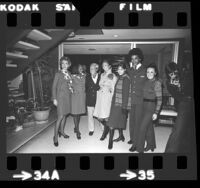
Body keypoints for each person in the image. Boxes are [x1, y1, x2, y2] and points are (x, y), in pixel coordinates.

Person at [164, 59, 195, 153]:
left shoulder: (186, 76)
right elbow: (178, 97)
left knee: (189, 131)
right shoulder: (168, 83)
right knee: (179, 129)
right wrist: (177, 87)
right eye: (171, 74)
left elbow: (190, 90)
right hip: (183, 104)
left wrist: (181, 84)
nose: (173, 75)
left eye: (175, 72)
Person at [126, 48, 150, 152]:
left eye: (136, 58)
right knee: (131, 121)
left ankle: (136, 143)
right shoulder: (130, 70)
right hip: (131, 100)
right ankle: (133, 138)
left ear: (140, 58)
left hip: (140, 101)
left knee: (137, 122)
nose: (134, 60)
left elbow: (151, 84)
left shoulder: (145, 70)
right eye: (132, 59)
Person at [135, 63, 162, 153]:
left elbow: (159, 99)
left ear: (155, 73)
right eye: (148, 72)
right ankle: (151, 145)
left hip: (151, 107)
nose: (149, 73)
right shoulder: (145, 82)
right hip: (143, 105)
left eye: (151, 72)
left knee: (142, 128)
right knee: (149, 127)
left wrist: (156, 112)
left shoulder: (157, 83)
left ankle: (140, 150)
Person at [107, 63, 131, 149]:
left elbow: (126, 95)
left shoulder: (126, 79)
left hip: (121, 105)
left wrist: (124, 108)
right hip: (115, 103)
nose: (119, 71)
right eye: (118, 69)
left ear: (125, 69)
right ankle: (121, 136)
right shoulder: (120, 77)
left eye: (121, 69)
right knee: (119, 121)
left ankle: (110, 142)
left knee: (111, 123)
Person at [93, 59, 117, 140]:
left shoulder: (112, 75)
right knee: (99, 117)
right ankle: (107, 129)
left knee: (106, 117)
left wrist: (112, 99)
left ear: (109, 66)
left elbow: (113, 88)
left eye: (105, 65)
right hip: (100, 97)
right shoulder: (102, 74)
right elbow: (100, 84)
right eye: (103, 66)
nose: (104, 67)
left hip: (107, 97)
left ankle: (104, 133)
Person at [52, 56, 73, 146]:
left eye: (66, 63)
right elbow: (53, 87)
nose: (64, 65)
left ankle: (62, 132)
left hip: (67, 97)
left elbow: (70, 85)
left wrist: (72, 89)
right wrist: (54, 98)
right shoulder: (58, 74)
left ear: (68, 65)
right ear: (61, 64)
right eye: (62, 63)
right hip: (60, 98)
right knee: (60, 117)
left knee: (65, 116)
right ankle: (55, 137)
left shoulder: (69, 73)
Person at [71, 64, 86, 140]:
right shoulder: (72, 76)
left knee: (79, 113)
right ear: (76, 69)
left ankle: (76, 127)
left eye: (81, 68)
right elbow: (69, 85)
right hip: (75, 97)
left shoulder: (84, 76)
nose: (81, 69)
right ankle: (77, 131)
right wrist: (72, 91)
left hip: (82, 97)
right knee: (75, 113)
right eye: (79, 68)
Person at [85, 63, 101, 136]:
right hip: (90, 99)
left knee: (100, 115)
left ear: (96, 69)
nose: (90, 70)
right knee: (90, 116)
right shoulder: (87, 77)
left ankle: (103, 128)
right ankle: (91, 129)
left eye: (92, 68)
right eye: (90, 68)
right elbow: (86, 88)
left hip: (98, 100)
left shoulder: (101, 76)